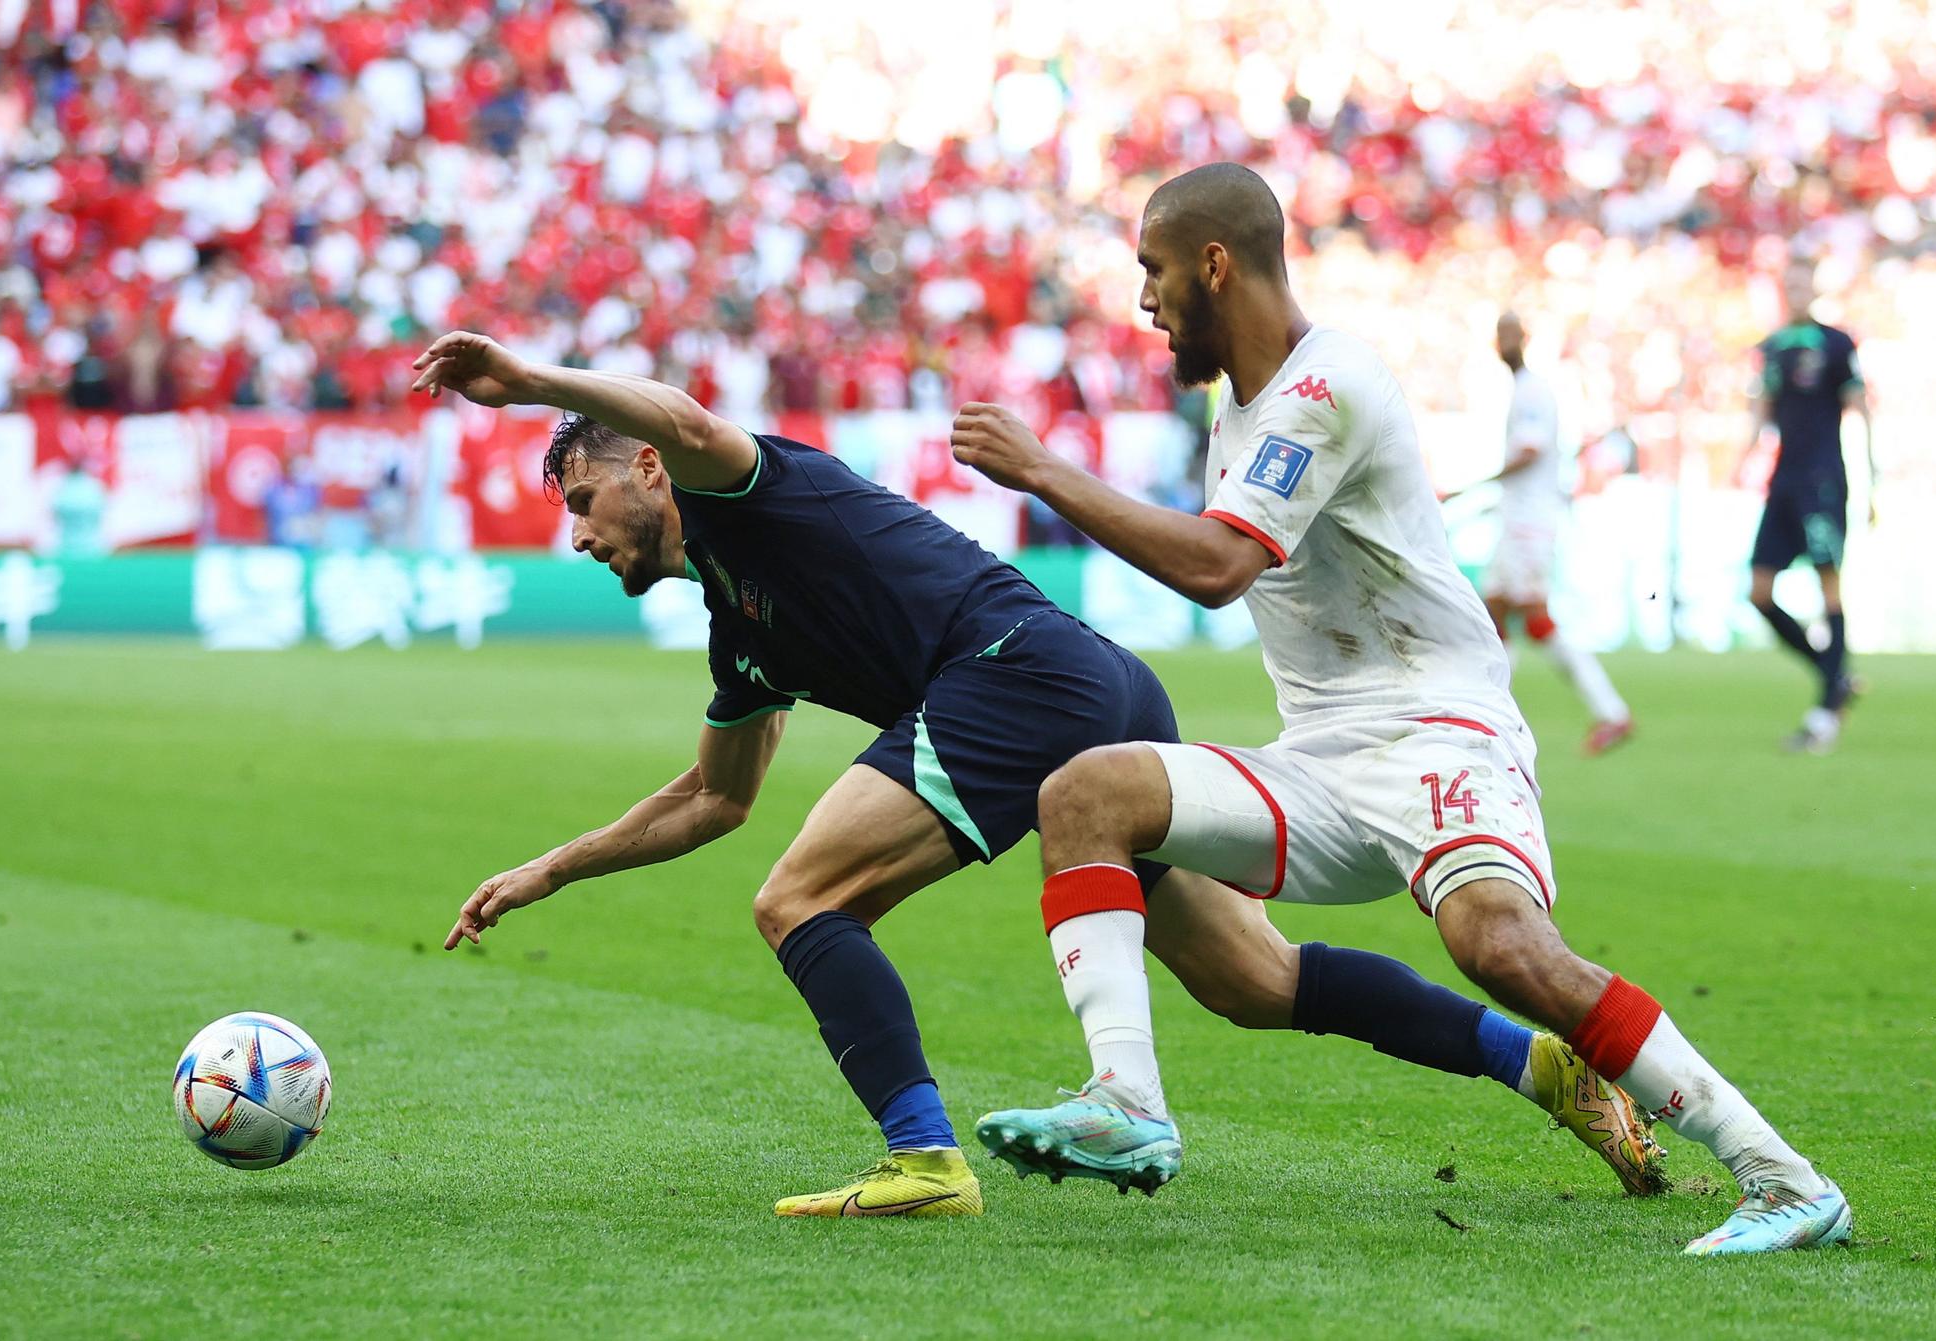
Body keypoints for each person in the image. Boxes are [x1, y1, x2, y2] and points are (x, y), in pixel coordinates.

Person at [409, 329, 1659, 1218]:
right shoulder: (740, 626)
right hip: (1096, 684)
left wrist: (524, 382)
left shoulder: (739, 487)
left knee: (801, 903)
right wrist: (546, 869)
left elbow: (680, 418)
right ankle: (1539, 1063)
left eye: (579, 497)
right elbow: (711, 798)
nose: (576, 534)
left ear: (636, 468)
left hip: (1012, 672)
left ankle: (919, 1160)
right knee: (1251, 979)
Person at [950, 163, 1846, 1255]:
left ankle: (1782, 1178)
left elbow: (1220, 564)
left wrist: (1043, 471)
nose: (1142, 300)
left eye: (1152, 270)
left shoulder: (1326, 388)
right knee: (1084, 796)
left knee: (1502, 950)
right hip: (1321, 758)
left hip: (1436, 727)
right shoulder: (1238, 414)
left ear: (1213, 265)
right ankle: (1127, 1105)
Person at [1471, 312, 1631, 754]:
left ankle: (1612, 712)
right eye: (1498, 334)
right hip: (1516, 518)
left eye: (1510, 334)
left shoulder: (1534, 390)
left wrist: (1476, 485)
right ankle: (1489, 715)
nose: (1504, 342)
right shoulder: (1522, 389)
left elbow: (1530, 450)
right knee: (1494, 613)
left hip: (1530, 523)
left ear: (1524, 340)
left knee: (1534, 617)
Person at [1747, 261, 1875, 754]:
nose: (1796, 291)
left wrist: (1872, 477)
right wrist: (1744, 457)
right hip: (1783, 480)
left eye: (1803, 283)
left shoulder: (1838, 343)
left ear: (1815, 288)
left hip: (1823, 479)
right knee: (1758, 591)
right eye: (1790, 284)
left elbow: (1860, 408)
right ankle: (1834, 674)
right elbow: (1761, 413)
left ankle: (1825, 711)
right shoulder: (1772, 347)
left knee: (1828, 586)